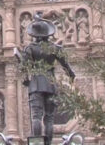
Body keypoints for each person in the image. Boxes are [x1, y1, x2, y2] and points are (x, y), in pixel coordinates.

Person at [21, 13, 75, 145]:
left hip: (35, 85)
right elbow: (66, 65)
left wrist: (26, 79)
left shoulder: (30, 49)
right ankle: (49, 142)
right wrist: (71, 75)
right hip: (51, 85)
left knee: (36, 116)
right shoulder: (55, 48)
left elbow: (23, 68)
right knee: (49, 118)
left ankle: (37, 142)